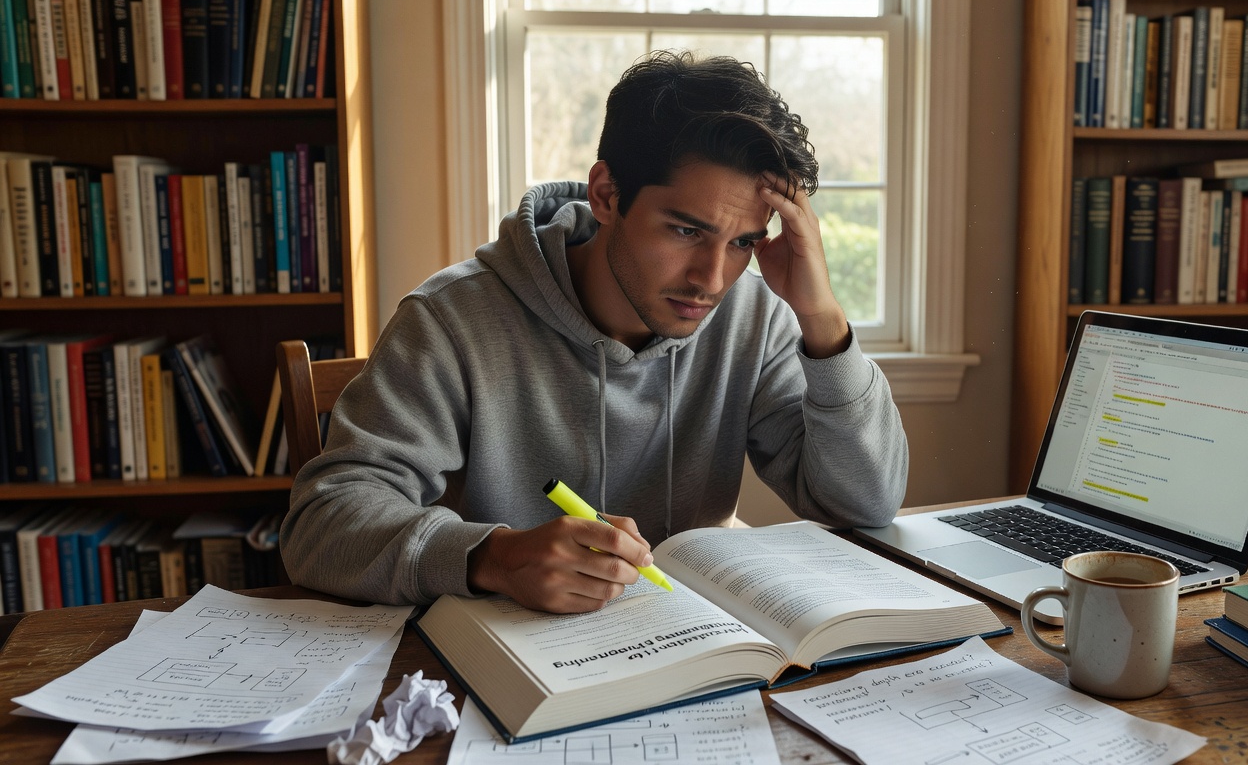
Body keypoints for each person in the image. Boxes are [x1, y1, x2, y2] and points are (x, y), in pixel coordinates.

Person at [281, 50, 909, 612]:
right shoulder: (452, 319)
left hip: (690, 645)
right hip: (507, 664)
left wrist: (823, 322)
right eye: (686, 230)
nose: (712, 279)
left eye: (743, 242)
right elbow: (321, 525)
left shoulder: (756, 313)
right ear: (606, 194)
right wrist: (494, 558)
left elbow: (864, 505)